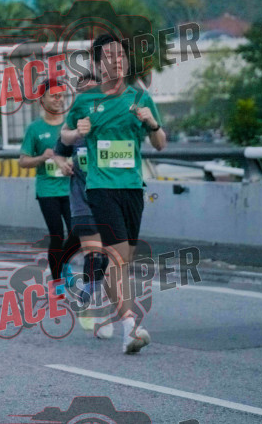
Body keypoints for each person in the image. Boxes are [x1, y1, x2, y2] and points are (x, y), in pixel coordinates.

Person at [62, 34, 167, 354]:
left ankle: (107, 309)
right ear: (97, 63)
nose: (116, 60)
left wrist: (152, 124)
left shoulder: (140, 98)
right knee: (118, 257)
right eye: (109, 55)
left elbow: (160, 143)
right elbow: (63, 136)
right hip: (100, 188)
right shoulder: (86, 100)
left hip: (132, 188)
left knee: (121, 260)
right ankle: (130, 328)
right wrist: (76, 132)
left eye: (121, 55)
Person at [54, 73, 111, 335]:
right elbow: (58, 152)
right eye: (83, 91)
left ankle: (86, 293)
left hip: (110, 198)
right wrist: (62, 164)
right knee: (94, 254)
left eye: (94, 89)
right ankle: (90, 305)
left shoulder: (112, 121)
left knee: (107, 257)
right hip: (82, 198)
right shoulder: (73, 127)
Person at [19, 80, 76, 295]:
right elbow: (23, 161)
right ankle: (57, 281)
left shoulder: (71, 125)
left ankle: (64, 262)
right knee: (57, 235)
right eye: (53, 95)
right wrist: (42, 157)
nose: (58, 99)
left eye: (61, 95)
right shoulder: (35, 128)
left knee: (77, 233)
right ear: (42, 99)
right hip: (47, 190)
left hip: (71, 189)